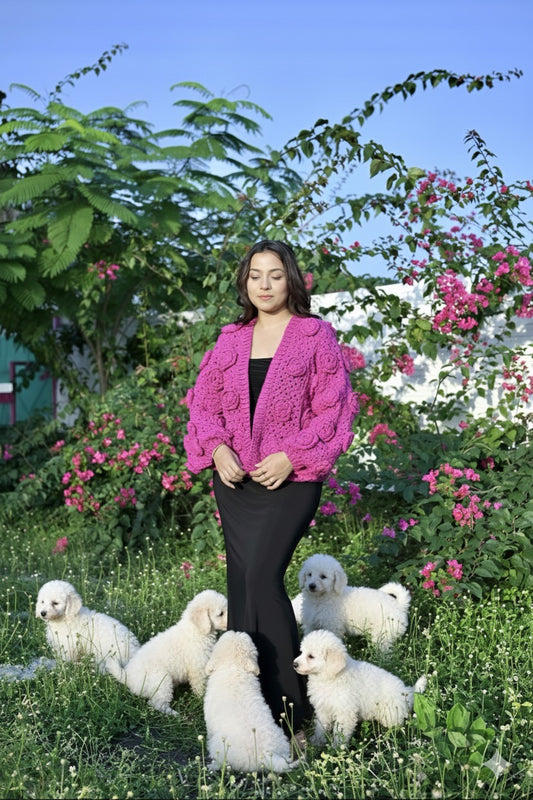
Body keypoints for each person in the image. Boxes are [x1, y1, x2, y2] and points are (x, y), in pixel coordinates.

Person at [184, 240, 358, 750]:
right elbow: (203, 406)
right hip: (236, 482)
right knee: (242, 588)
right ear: (245, 282)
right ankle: (243, 708)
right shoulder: (230, 339)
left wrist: (291, 456)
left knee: (262, 577)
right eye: (255, 275)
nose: (264, 284)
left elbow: (334, 410)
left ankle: (292, 715)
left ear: (291, 280)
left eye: (275, 275)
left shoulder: (314, 335)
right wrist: (217, 448)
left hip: (292, 479)